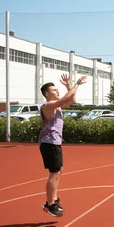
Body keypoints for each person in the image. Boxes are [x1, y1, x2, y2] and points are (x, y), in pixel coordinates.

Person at [39, 74, 87, 217]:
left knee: (59, 171)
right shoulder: (47, 105)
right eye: (54, 90)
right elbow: (66, 98)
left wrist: (68, 85)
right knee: (54, 173)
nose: (57, 91)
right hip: (49, 143)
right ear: (47, 94)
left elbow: (72, 100)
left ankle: (53, 199)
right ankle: (49, 205)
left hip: (54, 142)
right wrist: (77, 83)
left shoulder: (57, 106)